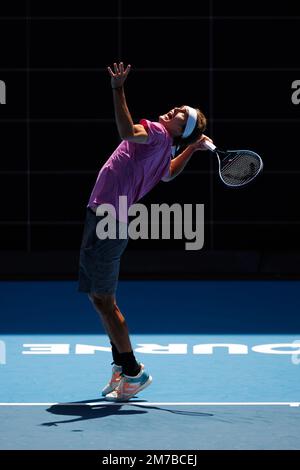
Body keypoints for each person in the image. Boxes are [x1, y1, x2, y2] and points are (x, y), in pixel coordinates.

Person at [78, 62, 212, 402]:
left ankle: (135, 372)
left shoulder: (154, 133)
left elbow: (126, 131)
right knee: (100, 299)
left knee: (105, 301)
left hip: (109, 221)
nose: (177, 109)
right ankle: (122, 366)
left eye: (183, 114)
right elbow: (167, 174)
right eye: (180, 108)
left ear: (183, 127)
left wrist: (117, 88)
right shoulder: (165, 147)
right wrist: (192, 149)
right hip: (108, 220)